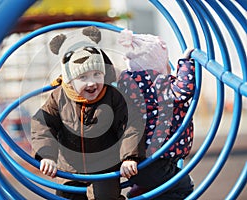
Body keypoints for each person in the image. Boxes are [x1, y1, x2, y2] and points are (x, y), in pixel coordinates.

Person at [31, 26, 145, 200]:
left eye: (97, 74)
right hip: (70, 170)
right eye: (83, 77)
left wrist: (130, 157)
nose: (92, 83)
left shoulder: (113, 97)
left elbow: (130, 125)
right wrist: (47, 156)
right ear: (69, 79)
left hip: (105, 167)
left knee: (105, 197)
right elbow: (42, 125)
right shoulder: (59, 97)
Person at [116, 29, 195, 199]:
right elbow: (183, 90)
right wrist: (186, 63)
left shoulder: (128, 84)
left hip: (139, 158)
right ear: (158, 64)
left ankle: (140, 190)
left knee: (158, 185)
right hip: (157, 159)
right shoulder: (162, 84)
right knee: (184, 187)